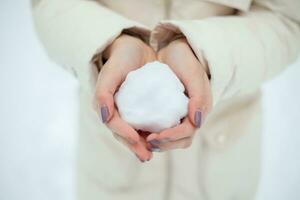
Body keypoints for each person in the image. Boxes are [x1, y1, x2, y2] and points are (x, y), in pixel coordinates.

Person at [32, 0, 300, 199]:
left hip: (221, 165)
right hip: (112, 168)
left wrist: (203, 54)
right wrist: (113, 43)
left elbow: (289, 20)